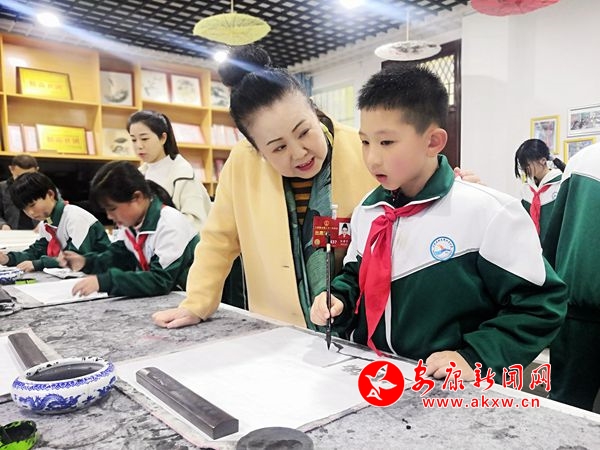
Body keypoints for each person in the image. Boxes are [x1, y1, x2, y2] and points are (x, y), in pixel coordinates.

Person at [152, 46, 480, 330]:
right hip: (279, 327)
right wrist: (197, 303)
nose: (299, 153)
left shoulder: (364, 148)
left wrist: (453, 189)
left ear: (313, 110)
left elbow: (417, 193)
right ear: (256, 149)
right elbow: (219, 240)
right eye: (278, 148)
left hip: (361, 325)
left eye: (304, 131)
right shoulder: (242, 164)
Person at [310, 66, 567, 382]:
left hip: (443, 386)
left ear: (432, 141)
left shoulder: (488, 211)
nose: (372, 158)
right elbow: (354, 274)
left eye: (386, 142)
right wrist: (337, 299)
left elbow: (541, 304)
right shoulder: (368, 210)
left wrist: (475, 356)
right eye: (365, 142)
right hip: (371, 374)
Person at [60, 161, 199, 298]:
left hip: (191, 298)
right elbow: (119, 257)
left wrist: (106, 282)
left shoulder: (170, 223)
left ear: (137, 197)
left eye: (112, 208)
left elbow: (160, 280)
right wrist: (86, 262)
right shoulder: (132, 224)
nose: (109, 216)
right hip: (168, 298)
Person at [543, 143, 600, 411]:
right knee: (567, 407)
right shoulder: (583, 162)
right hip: (577, 315)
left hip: (576, 309)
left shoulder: (582, 161)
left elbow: (552, 241)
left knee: (567, 406)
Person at [0, 172, 110, 271]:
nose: (31, 213)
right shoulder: (46, 222)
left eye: (32, 205)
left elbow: (76, 257)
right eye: (25, 209)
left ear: (50, 194)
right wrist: (7, 259)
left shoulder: (76, 217)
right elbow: (36, 251)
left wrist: (39, 264)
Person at [128, 110, 211, 233]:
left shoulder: (182, 174)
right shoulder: (138, 175)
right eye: (133, 140)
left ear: (163, 138)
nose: (139, 145)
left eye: (144, 139)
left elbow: (195, 223)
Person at [514, 138, 565, 241]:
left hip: (556, 245)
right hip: (532, 245)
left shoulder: (561, 185)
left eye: (527, 165)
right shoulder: (526, 189)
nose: (524, 169)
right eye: (522, 166)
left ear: (543, 160)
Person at [0, 155, 40, 230]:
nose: (23, 181)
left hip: (39, 233)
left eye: (28, 176)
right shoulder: (2, 188)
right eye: (19, 177)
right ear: (11, 169)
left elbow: (53, 215)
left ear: (37, 170)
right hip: (10, 233)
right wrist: (2, 225)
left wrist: (46, 224)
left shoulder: (46, 188)